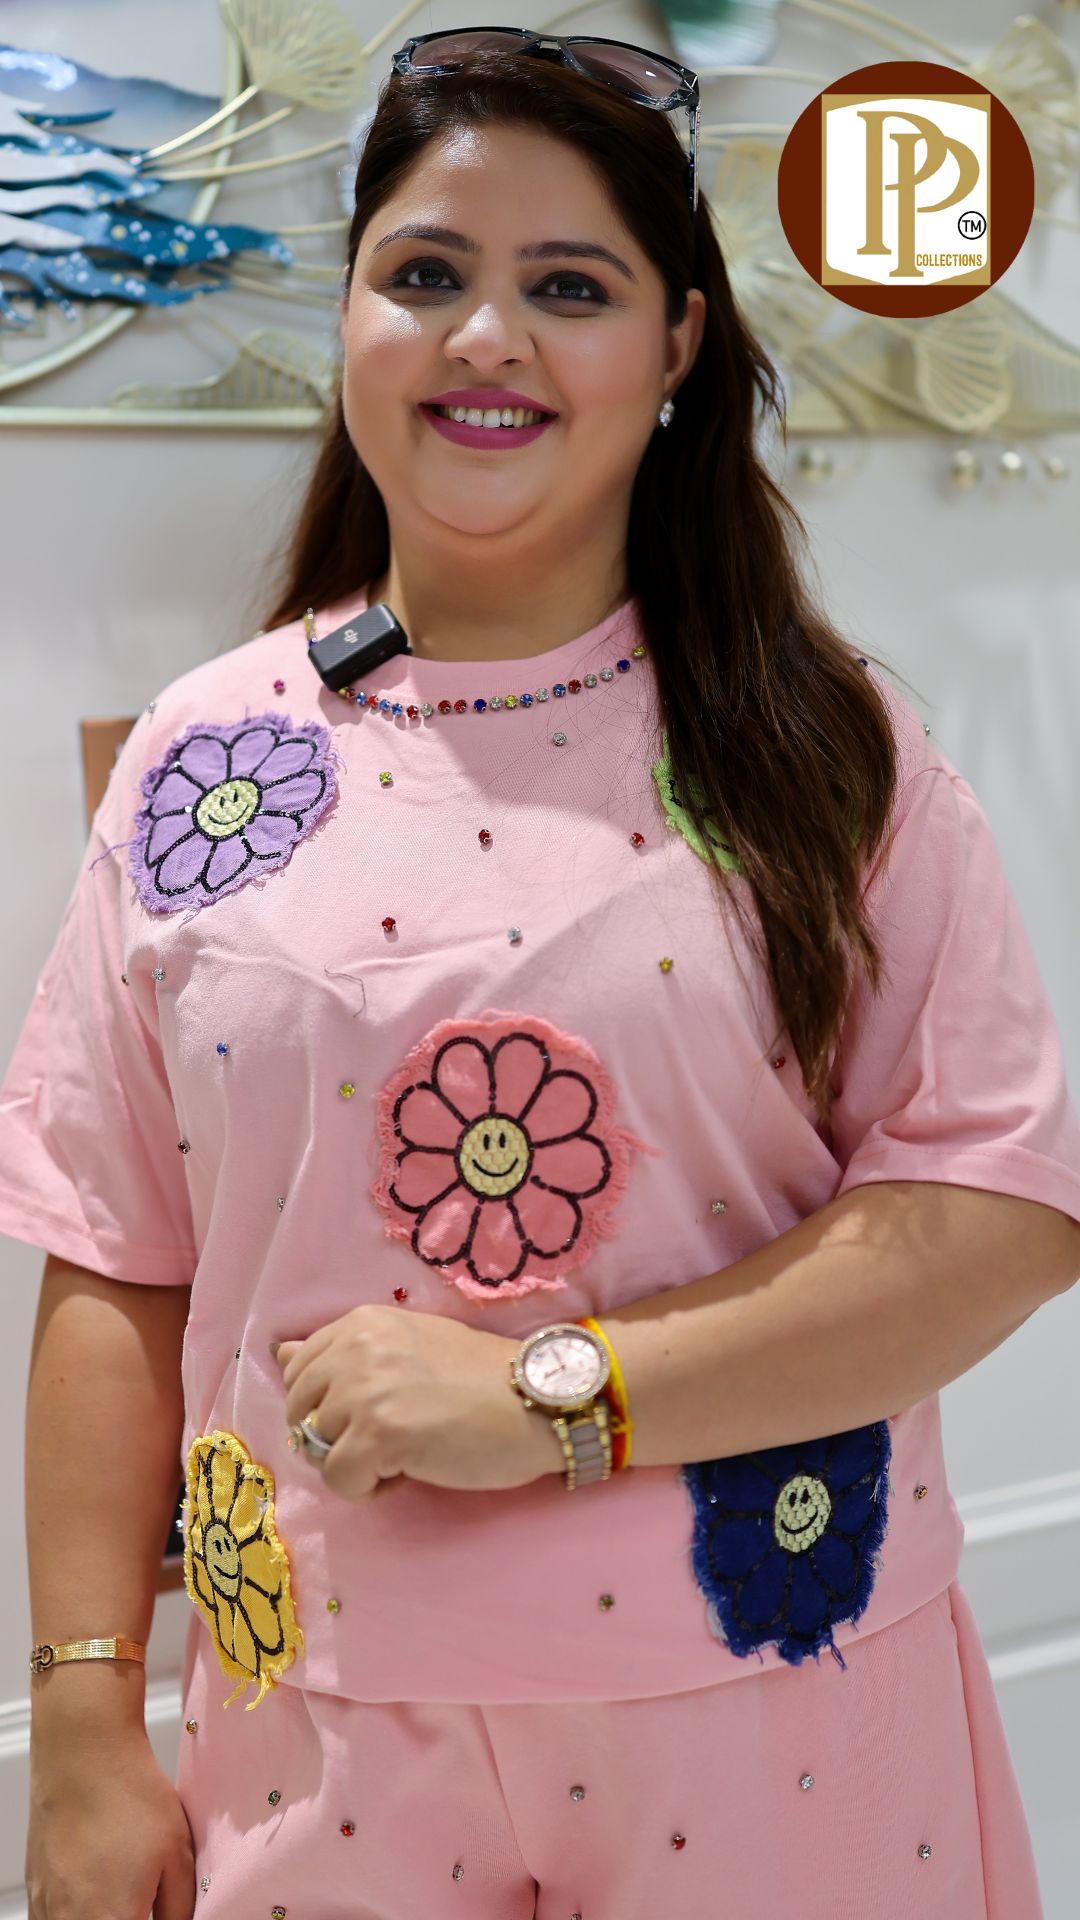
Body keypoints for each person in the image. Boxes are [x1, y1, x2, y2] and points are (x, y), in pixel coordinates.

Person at [4, 29, 1080, 1920]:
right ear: (351, 319)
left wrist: (556, 1393)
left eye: (569, 287)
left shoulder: (829, 754)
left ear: (676, 349)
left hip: (780, 1704)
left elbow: (997, 1206)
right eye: (425, 273)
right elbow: (113, 1253)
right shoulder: (203, 762)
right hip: (316, 1737)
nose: (485, 336)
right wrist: (87, 1720)